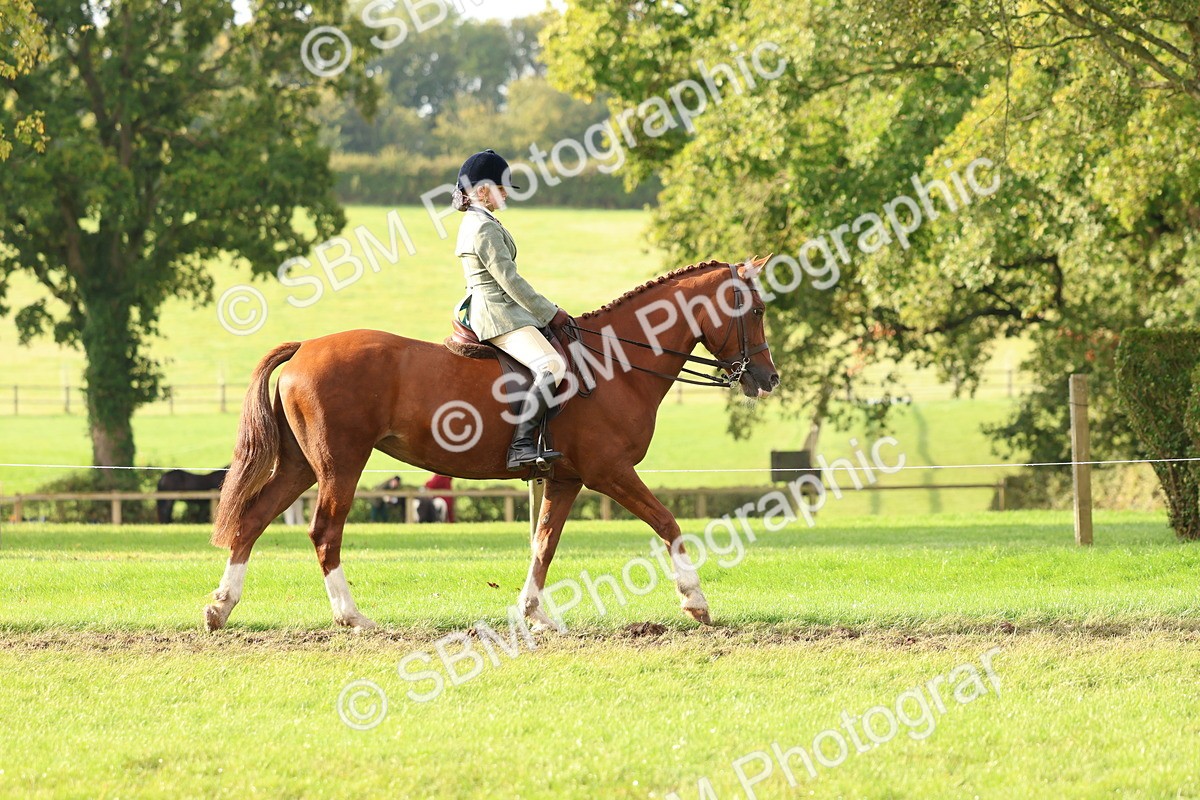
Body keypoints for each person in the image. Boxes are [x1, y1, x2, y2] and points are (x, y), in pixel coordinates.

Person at [452, 149, 570, 470]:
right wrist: (550, 312)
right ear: (481, 191)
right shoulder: (484, 228)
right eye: (500, 187)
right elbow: (510, 282)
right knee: (552, 366)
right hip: (497, 315)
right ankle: (521, 445)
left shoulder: (480, 220)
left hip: (498, 309)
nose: (506, 193)